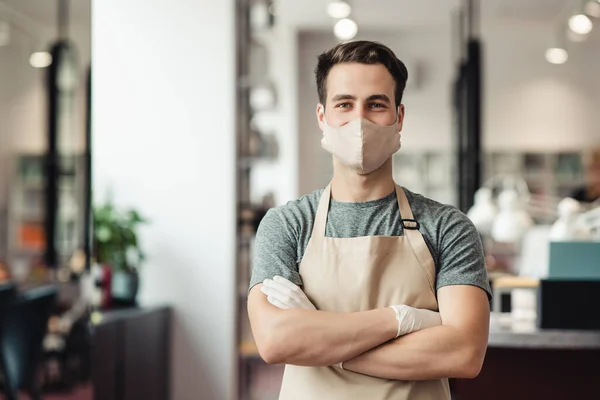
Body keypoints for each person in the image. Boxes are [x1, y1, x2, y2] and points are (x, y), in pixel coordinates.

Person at [247, 40, 492, 400]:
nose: (359, 120)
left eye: (376, 104)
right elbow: (275, 341)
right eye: (344, 104)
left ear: (399, 117)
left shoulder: (447, 227)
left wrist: (321, 339)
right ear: (322, 117)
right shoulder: (287, 224)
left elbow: (464, 353)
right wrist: (401, 319)